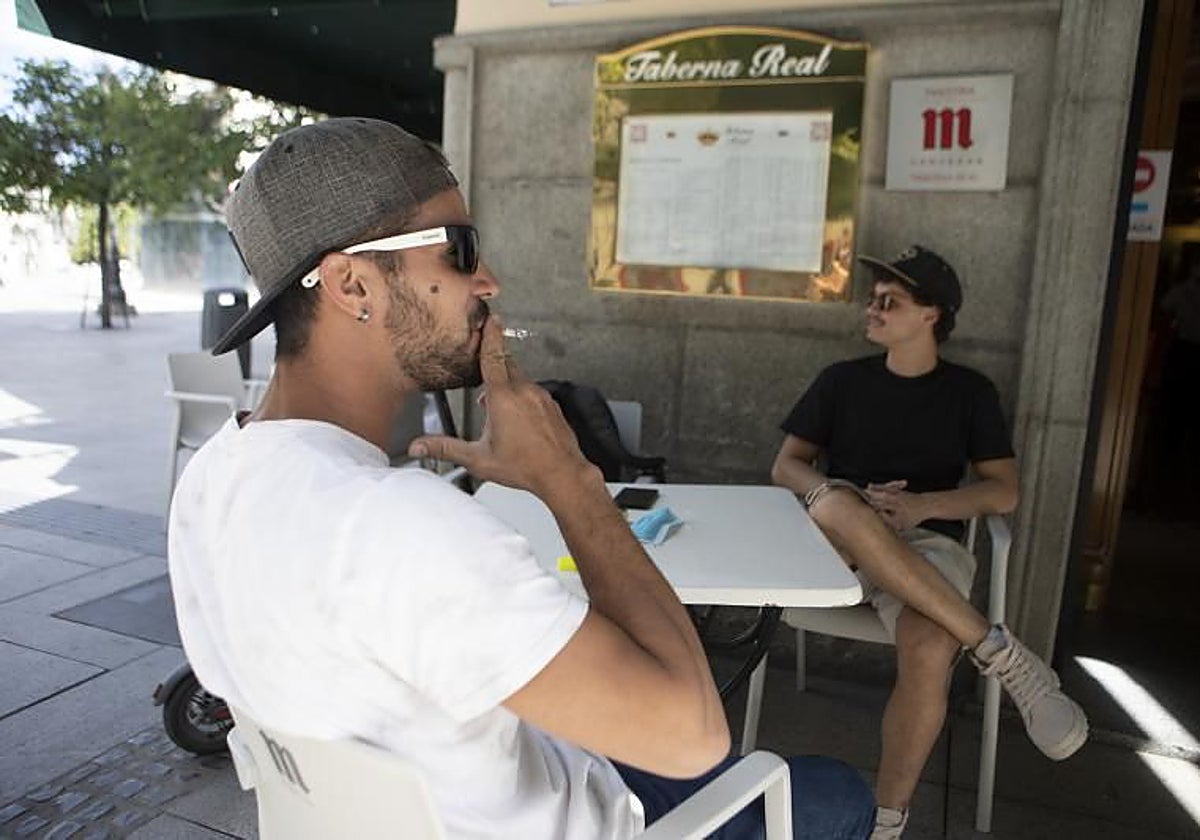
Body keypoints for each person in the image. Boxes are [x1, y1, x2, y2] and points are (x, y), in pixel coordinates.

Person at [167, 117, 874, 839]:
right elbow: (692, 735)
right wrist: (568, 476)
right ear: (353, 284)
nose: (488, 280)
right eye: (459, 250)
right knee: (838, 792)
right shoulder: (397, 526)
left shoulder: (212, 480)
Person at [771, 246, 1089, 839]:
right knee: (840, 503)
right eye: (873, 299)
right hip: (838, 541)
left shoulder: (969, 392)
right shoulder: (841, 380)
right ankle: (1004, 656)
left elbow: (1004, 492)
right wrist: (843, 496)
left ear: (931, 316)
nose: (873, 309)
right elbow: (787, 466)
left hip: (926, 547)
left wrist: (922, 506)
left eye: (890, 301)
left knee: (929, 644)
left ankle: (886, 823)